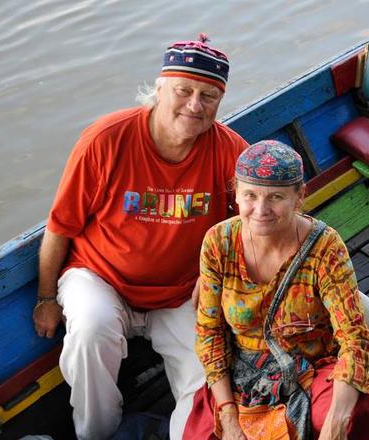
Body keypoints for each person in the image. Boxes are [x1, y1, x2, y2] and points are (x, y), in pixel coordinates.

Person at [31, 34, 248, 440]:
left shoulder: (229, 150)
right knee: (90, 335)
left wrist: (220, 269)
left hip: (183, 291)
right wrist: (46, 298)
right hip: (101, 277)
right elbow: (60, 227)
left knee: (210, 374)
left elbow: (253, 223)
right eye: (184, 90)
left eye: (209, 96)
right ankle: (97, 433)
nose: (195, 105)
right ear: (160, 87)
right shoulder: (105, 139)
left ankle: (188, 433)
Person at [184, 140, 369, 440]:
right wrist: (229, 416)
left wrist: (337, 422)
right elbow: (210, 335)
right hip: (243, 372)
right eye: (250, 196)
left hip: (312, 368)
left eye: (275, 197)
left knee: (354, 417)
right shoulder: (218, 242)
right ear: (235, 192)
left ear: (299, 196)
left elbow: (354, 338)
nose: (261, 210)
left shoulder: (325, 247)